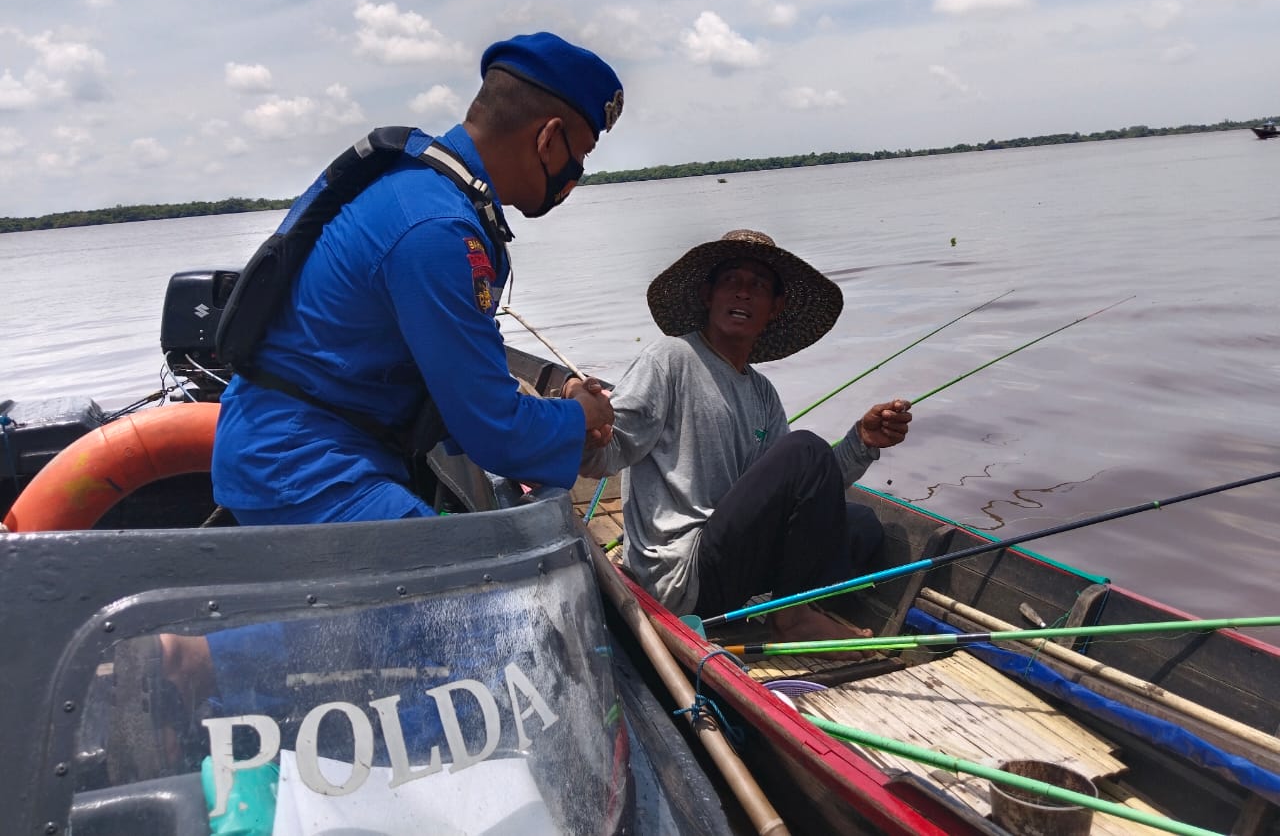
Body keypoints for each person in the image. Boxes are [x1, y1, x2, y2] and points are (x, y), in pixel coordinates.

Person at [211, 32, 622, 524]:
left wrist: (563, 404)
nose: (575, 174)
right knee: (478, 598)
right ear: (548, 138)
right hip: (302, 467)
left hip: (310, 447)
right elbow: (495, 432)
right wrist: (582, 418)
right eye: (582, 154)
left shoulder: (426, 192)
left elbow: (470, 379)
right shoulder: (437, 230)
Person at [574, 230, 912, 643]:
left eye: (759, 286)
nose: (743, 294)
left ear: (775, 308)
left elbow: (801, 495)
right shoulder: (671, 359)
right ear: (707, 294)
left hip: (728, 560)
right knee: (806, 448)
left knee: (863, 526)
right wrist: (586, 431)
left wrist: (861, 442)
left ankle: (790, 605)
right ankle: (793, 617)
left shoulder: (761, 393)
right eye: (731, 281)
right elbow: (608, 452)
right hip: (681, 574)